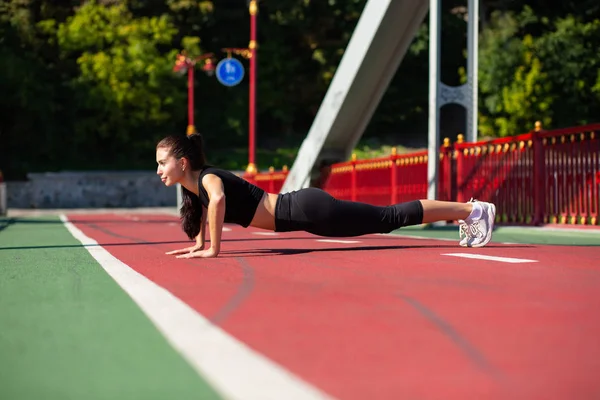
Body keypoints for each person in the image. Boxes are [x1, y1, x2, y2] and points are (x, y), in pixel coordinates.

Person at [156, 133, 496, 259]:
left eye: (162, 162)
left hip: (306, 210)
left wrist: (213, 249)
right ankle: (468, 211)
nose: (158, 169)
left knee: (388, 218)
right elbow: (202, 208)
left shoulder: (209, 179)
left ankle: (471, 209)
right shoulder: (194, 185)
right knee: (386, 219)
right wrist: (199, 243)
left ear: (182, 163)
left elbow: (216, 202)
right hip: (304, 214)